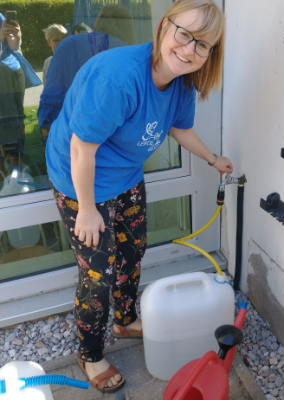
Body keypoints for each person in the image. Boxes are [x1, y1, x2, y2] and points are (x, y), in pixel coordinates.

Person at [42, 0, 229, 391]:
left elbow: (180, 129)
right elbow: (81, 150)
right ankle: (90, 353)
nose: (189, 50)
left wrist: (213, 159)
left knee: (133, 250)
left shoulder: (182, 83)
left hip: (125, 175)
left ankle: (125, 320)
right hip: (80, 178)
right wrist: (88, 209)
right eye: (184, 35)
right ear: (165, 26)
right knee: (97, 273)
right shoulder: (119, 77)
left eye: (203, 45)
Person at [38, 5, 138, 141]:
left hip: (65, 130)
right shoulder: (128, 52)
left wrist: (46, 128)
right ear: (128, 28)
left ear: (97, 23)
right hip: (110, 137)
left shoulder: (68, 44)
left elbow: (52, 93)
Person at [0, 13, 40, 162]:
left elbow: (14, 47)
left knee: (17, 119)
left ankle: (17, 161)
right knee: (4, 120)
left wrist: (17, 35)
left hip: (14, 71)